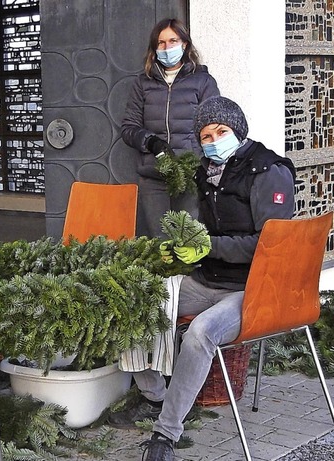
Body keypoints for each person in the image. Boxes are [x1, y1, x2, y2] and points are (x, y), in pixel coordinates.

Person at [109, 96, 296, 461]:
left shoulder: (269, 170)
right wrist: (181, 249)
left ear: (238, 131)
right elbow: (201, 233)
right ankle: (156, 395)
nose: (213, 141)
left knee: (200, 332)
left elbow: (270, 245)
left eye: (221, 132)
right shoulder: (206, 171)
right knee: (134, 300)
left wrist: (206, 246)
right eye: (206, 135)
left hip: (252, 289)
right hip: (206, 280)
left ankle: (165, 435)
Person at [120, 18, 220, 238]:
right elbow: (129, 127)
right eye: (161, 43)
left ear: (184, 44)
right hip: (153, 175)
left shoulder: (203, 82)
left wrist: (198, 161)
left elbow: (214, 126)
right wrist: (151, 142)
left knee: (188, 240)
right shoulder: (143, 83)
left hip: (190, 176)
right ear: (155, 49)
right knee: (161, 243)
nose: (167, 48)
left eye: (173, 41)